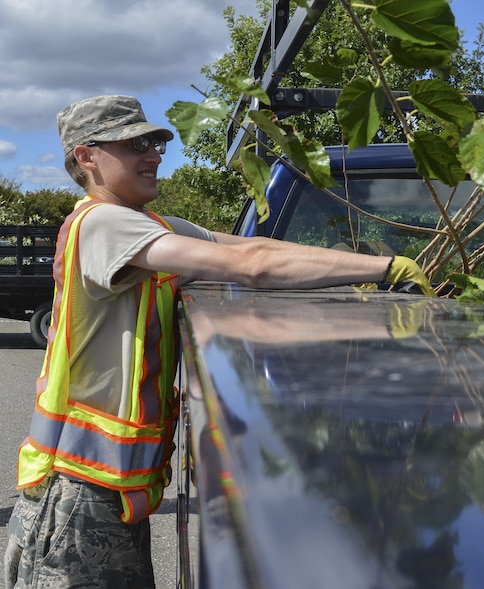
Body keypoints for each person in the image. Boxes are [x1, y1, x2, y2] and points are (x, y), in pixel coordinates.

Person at [3, 94, 434, 589]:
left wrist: (351, 267)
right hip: (75, 496)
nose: (154, 154)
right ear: (86, 157)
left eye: (155, 142)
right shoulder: (103, 223)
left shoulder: (145, 227)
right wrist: (386, 269)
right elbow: (250, 267)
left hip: (104, 493)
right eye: (134, 144)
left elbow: (255, 248)